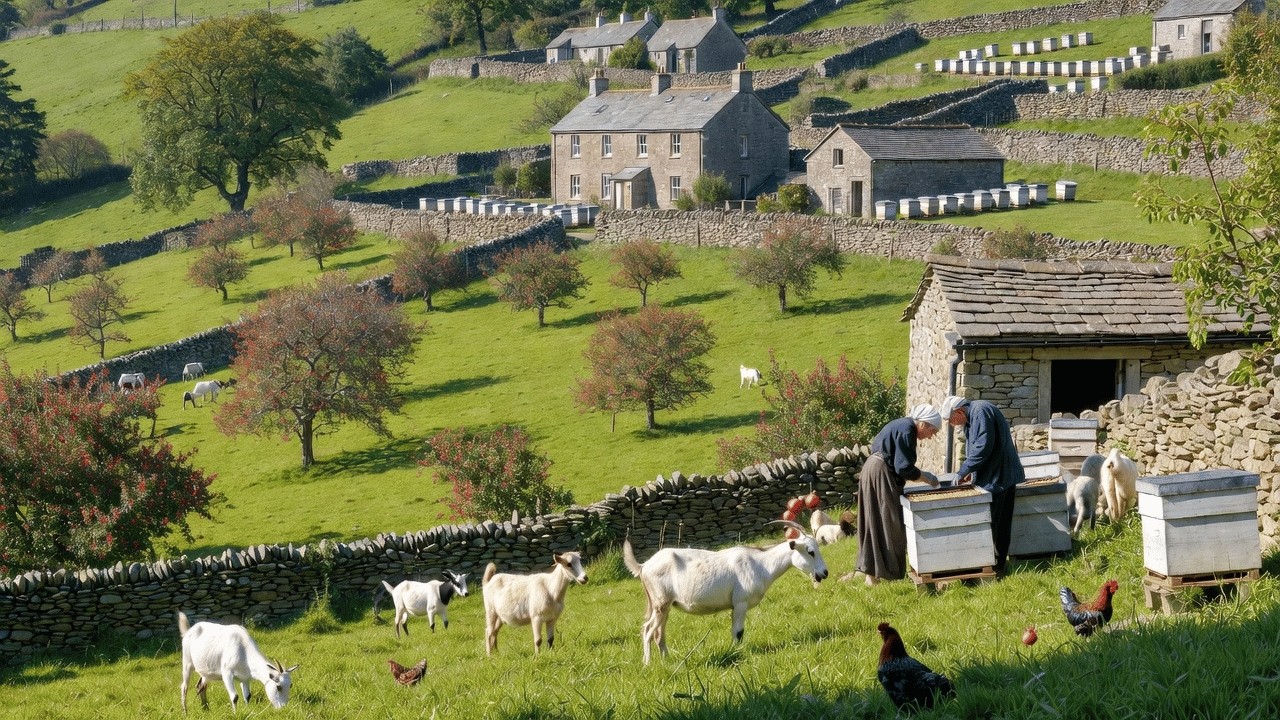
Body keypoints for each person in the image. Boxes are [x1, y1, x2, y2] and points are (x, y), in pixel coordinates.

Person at [853, 404, 942, 586]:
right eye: (932, 431)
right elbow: (903, 467)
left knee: (874, 521)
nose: (931, 436)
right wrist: (926, 477)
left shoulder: (901, 425)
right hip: (880, 473)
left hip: (872, 470)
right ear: (924, 424)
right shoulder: (907, 429)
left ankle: (872, 575)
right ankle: (887, 573)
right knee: (890, 522)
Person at [939, 395, 1025, 573]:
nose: (951, 424)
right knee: (995, 522)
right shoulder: (973, 416)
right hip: (997, 474)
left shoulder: (981, 411)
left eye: (950, 419)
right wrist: (972, 473)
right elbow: (977, 448)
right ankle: (994, 564)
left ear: (959, 411)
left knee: (996, 523)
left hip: (1000, 476)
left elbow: (983, 446)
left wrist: (964, 470)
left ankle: (995, 566)